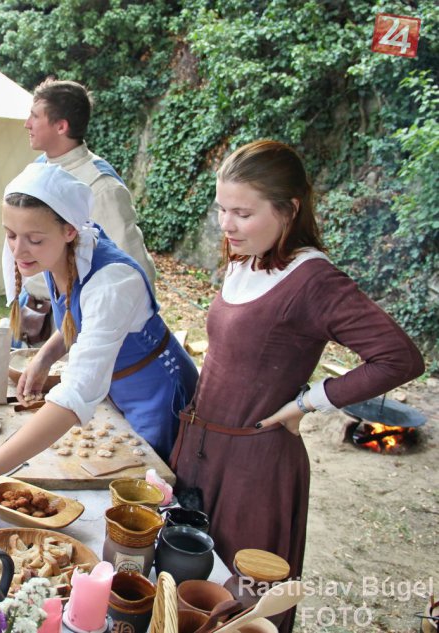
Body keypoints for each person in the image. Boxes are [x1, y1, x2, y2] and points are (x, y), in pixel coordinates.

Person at [168, 140, 424, 633]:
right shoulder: (246, 257)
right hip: (201, 452)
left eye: (243, 213)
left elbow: (399, 358)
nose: (226, 225)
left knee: (239, 605)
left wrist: (309, 402)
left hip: (255, 469)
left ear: (289, 210)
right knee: (183, 590)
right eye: (222, 209)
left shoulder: (314, 281)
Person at [0, 163, 198, 526]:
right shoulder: (63, 250)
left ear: (70, 230)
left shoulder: (113, 282)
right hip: (117, 384)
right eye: (10, 235)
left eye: (34, 239)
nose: (19, 250)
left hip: (157, 395)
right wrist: (45, 357)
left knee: (145, 493)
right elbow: (80, 319)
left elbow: (76, 394)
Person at [25, 79, 156, 287]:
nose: (27, 124)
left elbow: (135, 270)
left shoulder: (101, 187)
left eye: (35, 116)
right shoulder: (36, 170)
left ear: (61, 126)